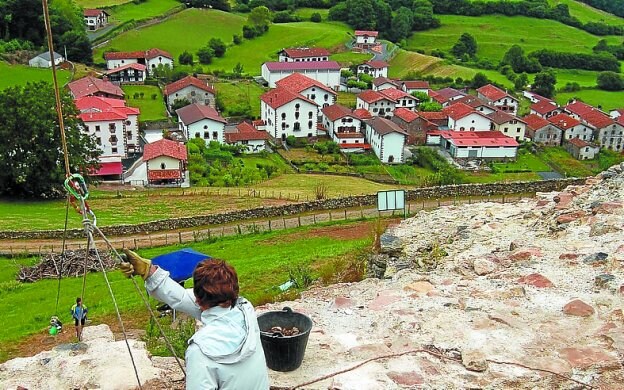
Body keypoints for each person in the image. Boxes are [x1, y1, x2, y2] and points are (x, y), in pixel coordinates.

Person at [120, 249, 270, 390]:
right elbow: (182, 297)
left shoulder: (200, 351)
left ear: (198, 300)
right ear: (233, 290)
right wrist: (149, 271)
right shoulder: (245, 309)